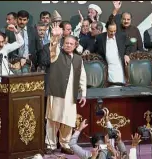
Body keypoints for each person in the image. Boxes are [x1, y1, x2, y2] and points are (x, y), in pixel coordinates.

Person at [45, 22, 87, 155]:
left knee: (68, 121)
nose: (68, 45)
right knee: (53, 120)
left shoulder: (78, 59)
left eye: (71, 43)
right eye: (66, 43)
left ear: (75, 46)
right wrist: (55, 37)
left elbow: (82, 77)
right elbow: (53, 48)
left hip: (71, 95)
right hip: (56, 92)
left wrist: (84, 94)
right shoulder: (57, 54)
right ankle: (50, 145)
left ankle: (65, 143)